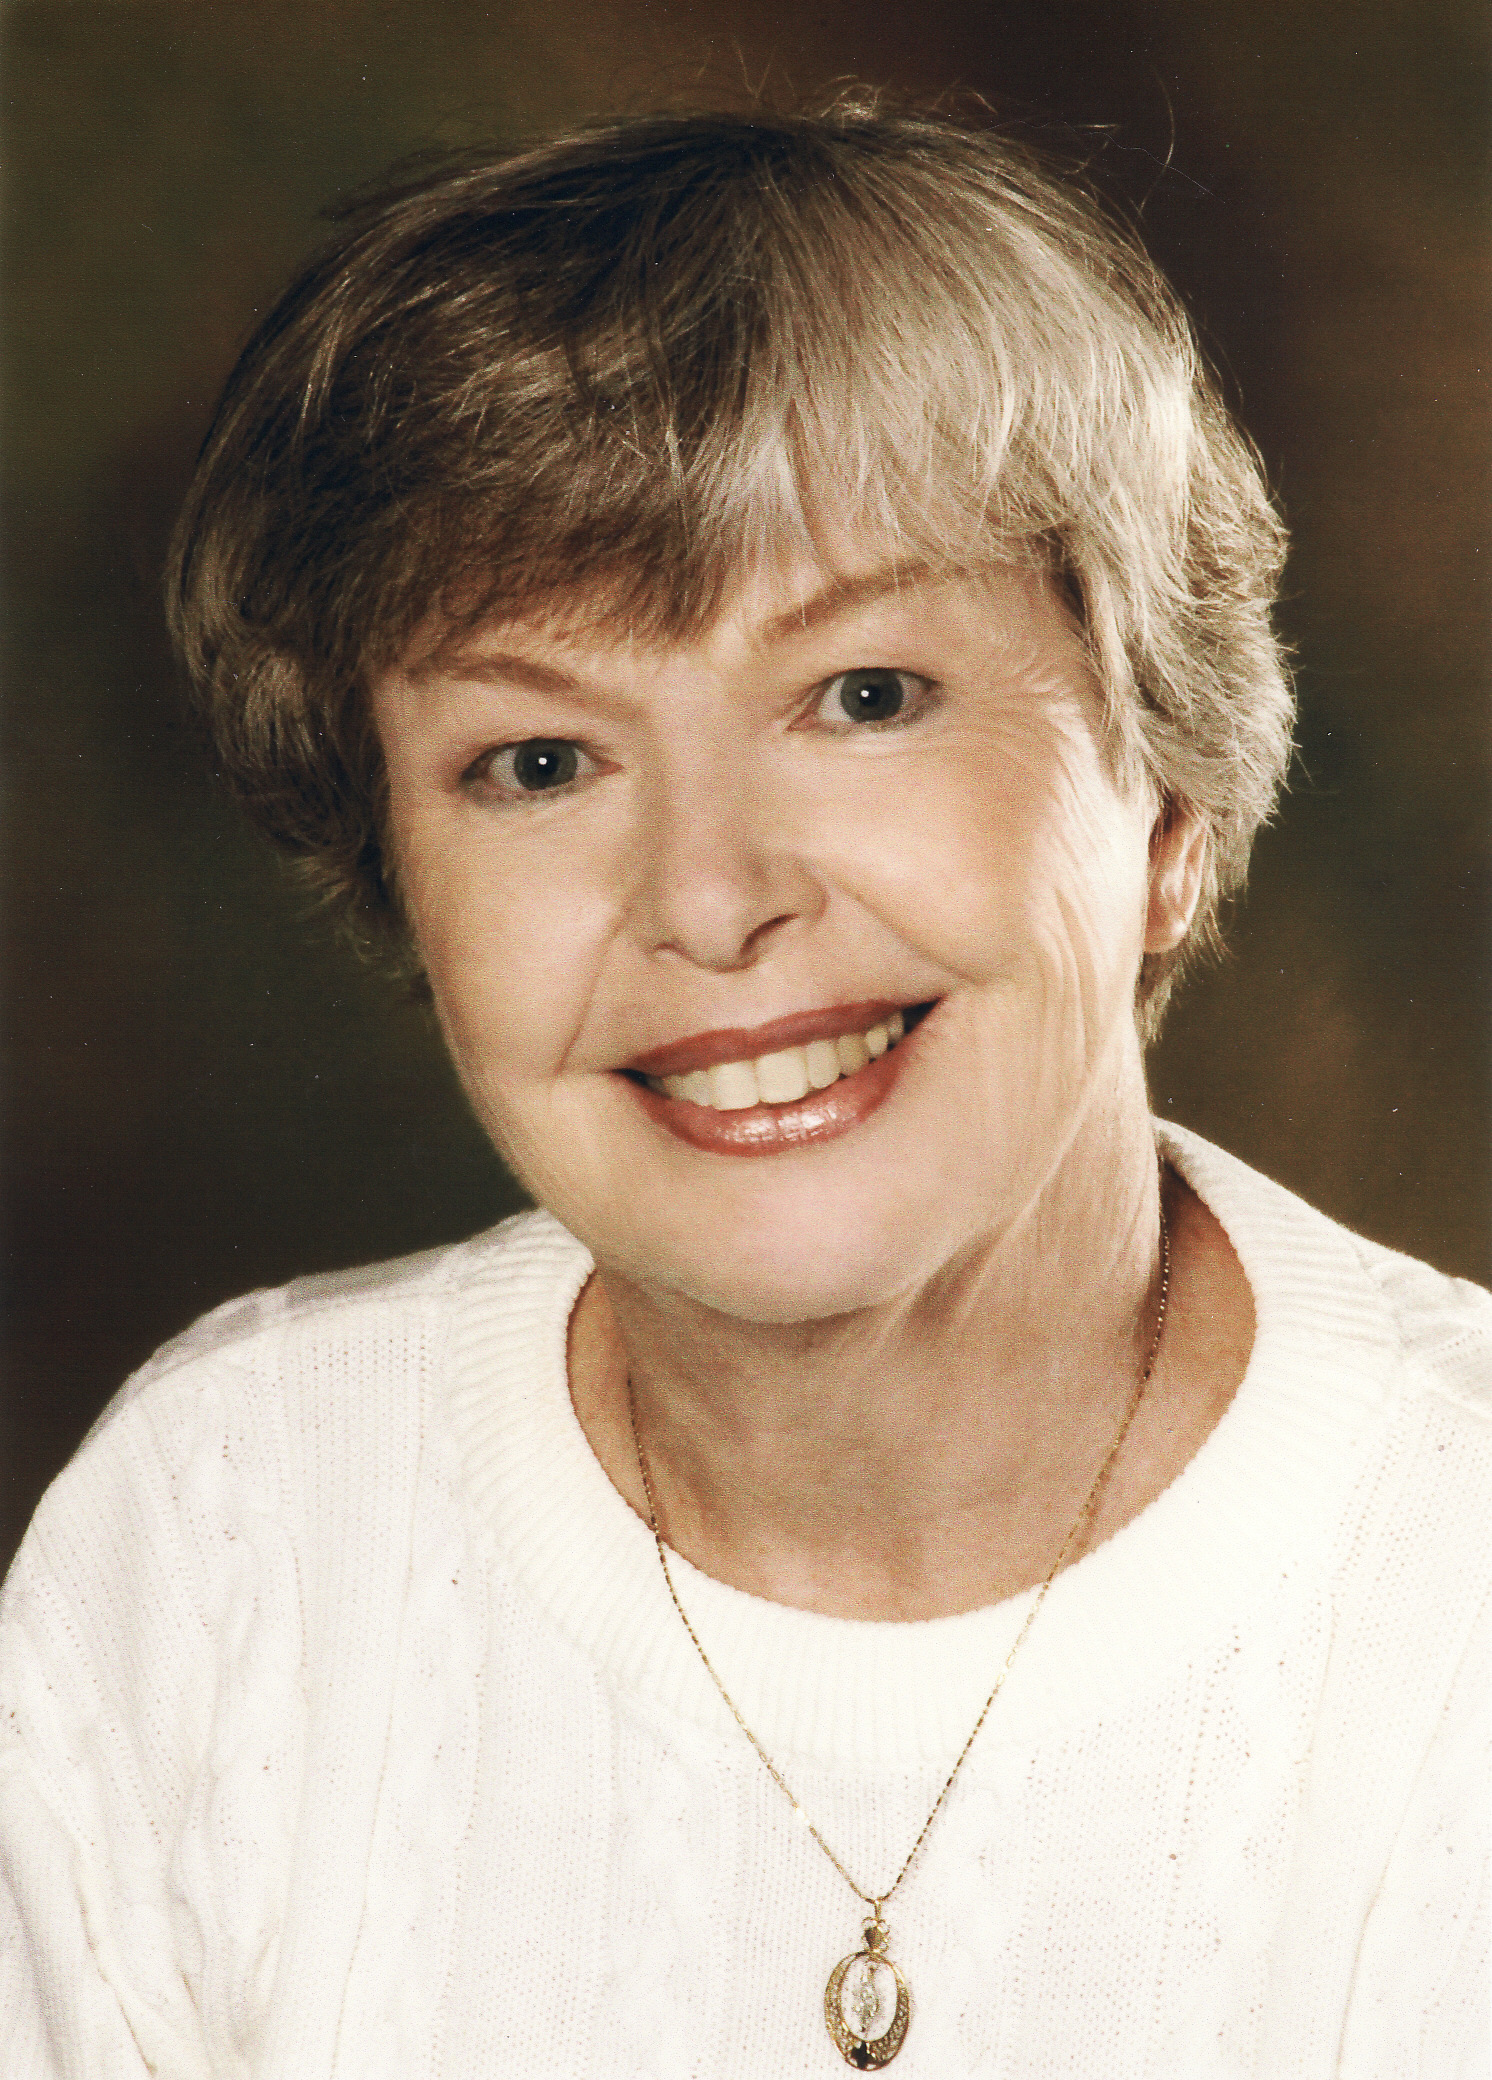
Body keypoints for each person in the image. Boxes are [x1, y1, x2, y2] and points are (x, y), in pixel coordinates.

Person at [1, 95, 1486, 2078]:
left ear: (1169, 802)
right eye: (536, 762)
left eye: (862, 696)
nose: (706, 899)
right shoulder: (224, 1537)